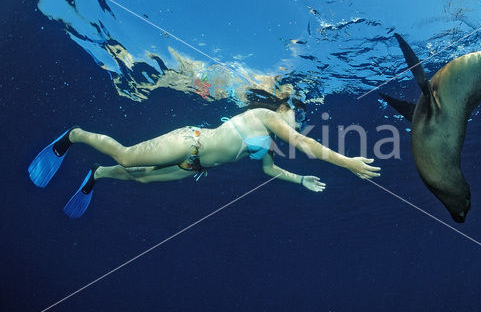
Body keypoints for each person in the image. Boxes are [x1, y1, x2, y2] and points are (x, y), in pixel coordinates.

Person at [28, 87, 381, 218]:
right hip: (189, 141)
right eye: (297, 112)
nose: (298, 119)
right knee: (127, 157)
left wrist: (300, 178)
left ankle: (97, 175)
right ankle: (74, 135)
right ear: (284, 107)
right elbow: (305, 144)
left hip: (191, 165)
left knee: (143, 179)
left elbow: (268, 171)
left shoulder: (267, 141)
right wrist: (346, 162)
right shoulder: (265, 115)